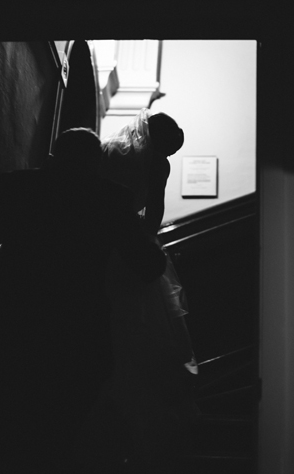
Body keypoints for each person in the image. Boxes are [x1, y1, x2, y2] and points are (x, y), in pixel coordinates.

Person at [0, 128, 167, 472]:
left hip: (11, 321)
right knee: (62, 428)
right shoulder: (111, 198)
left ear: (54, 154)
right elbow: (148, 265)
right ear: (95, 162)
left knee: (3, 420)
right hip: (78, 327)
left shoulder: (15, 186)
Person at [77, 109, 196, 472]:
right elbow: (154, 216)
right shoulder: (157, 165)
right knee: (139, 328)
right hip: (126, 247)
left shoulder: (110, 148)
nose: (169, 158)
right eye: (171, 151)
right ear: (163, 145)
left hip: (91, 246)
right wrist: (142, 237)